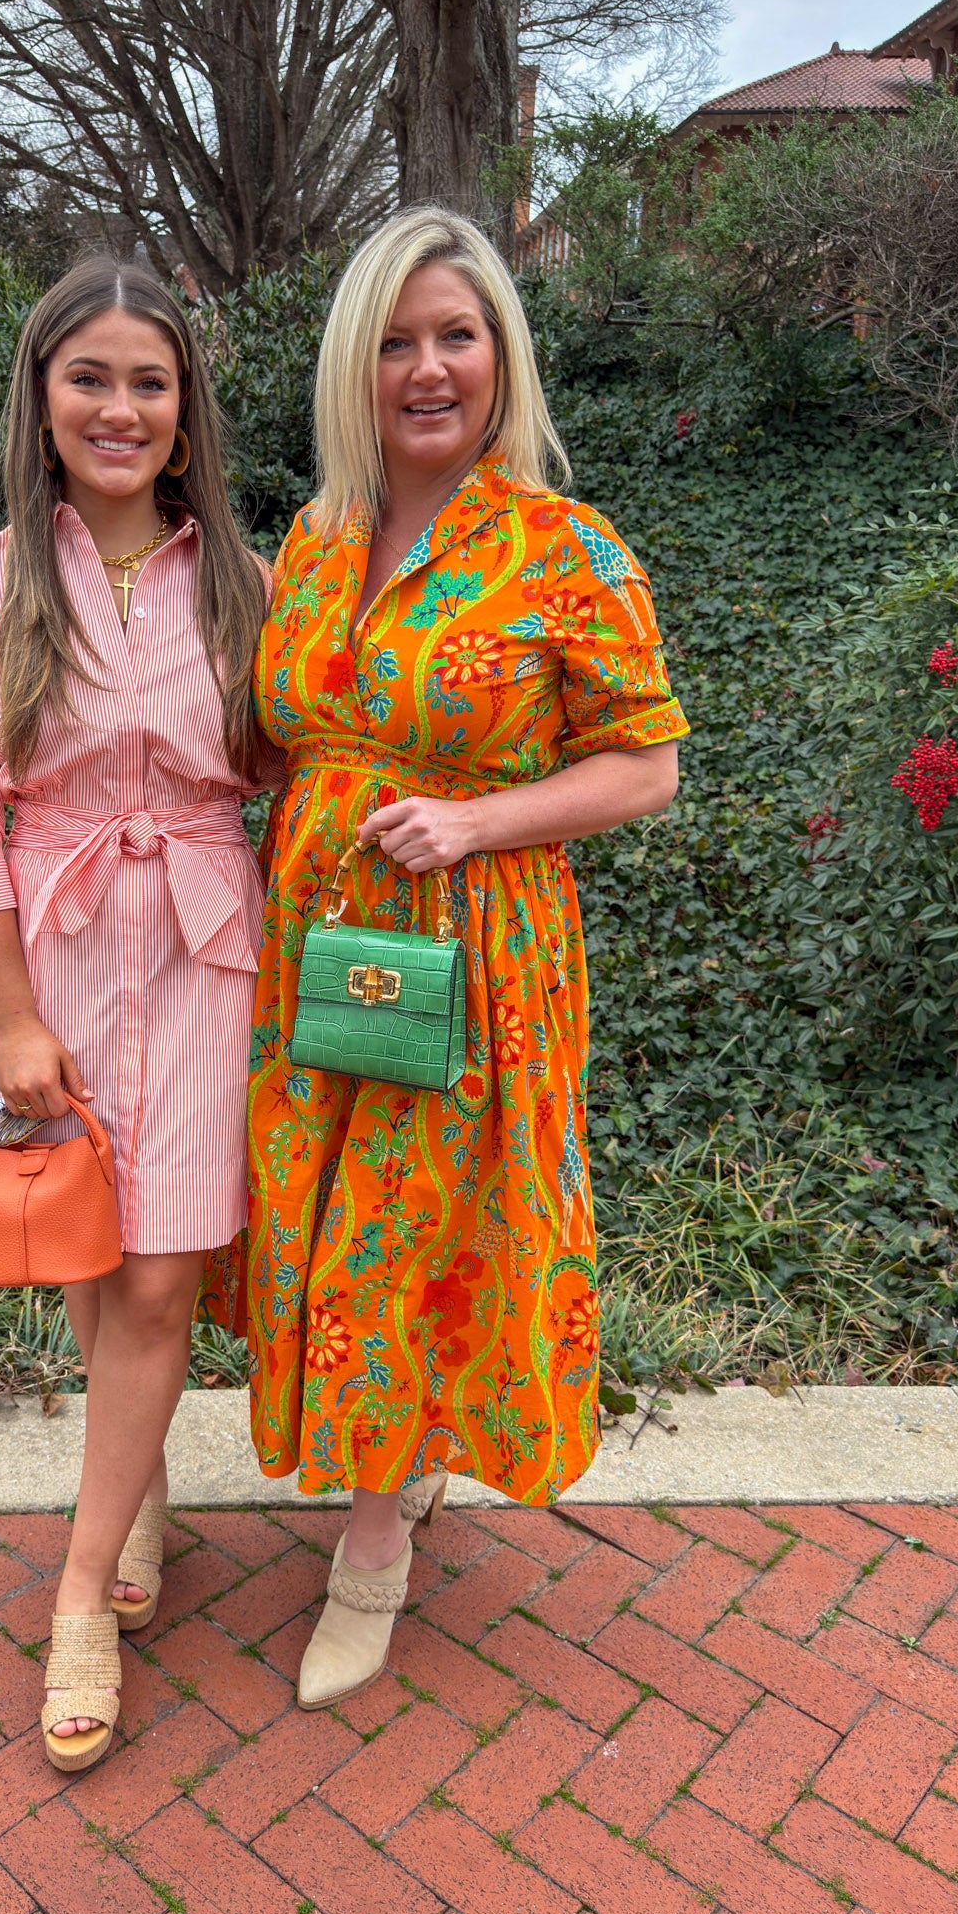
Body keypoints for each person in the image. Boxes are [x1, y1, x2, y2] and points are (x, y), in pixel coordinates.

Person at [242, 206, 688, 1708]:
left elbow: (645, 768)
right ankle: (400, 1451)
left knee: (413, 1227)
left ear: (503, 354)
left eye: (457, 336)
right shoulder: (315, 539)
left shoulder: (565, 550)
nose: (427, 369)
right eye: (395, 342)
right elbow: (279, 732)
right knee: (332, 1216)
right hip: (317, 942)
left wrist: (479, 820)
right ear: (351, 367)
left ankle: (373, 1545)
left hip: (471, 951)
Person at [0, 256, 270, 1770]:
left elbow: (310, 764)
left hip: (204, 951)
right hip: (49, 958)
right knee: (81, 1249)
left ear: (186, 412)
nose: (120, 408)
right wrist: (11, 1020)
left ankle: (78, 1594)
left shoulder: (249, 583)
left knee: (161, 1284)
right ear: (42, 397)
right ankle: (137, 1492)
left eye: (150, 381)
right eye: (90, 378)